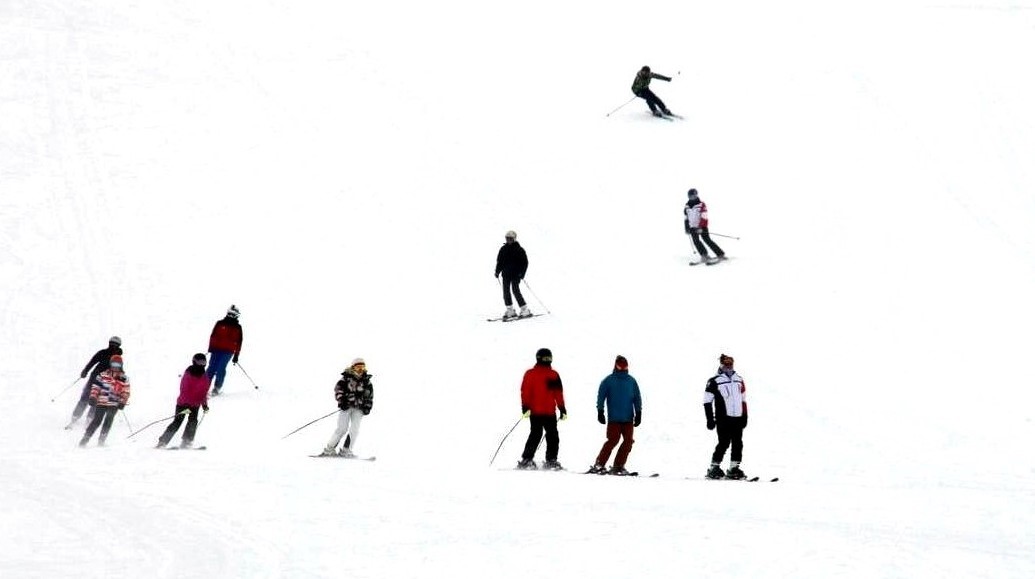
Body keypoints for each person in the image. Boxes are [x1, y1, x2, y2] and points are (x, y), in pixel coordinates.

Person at [589, 355, 642, 476]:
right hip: (614, 419)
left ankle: (618, 465)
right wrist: (600, 411)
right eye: (620, 366)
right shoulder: (608, 380)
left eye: (625, 366)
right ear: (616, 366)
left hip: (628, 418)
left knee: (628, 441)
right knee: (613, 440)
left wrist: (638, 412)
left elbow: (637, 397)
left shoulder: (631, 381)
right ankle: (599, 464)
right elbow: (601, 396)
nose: (623, 368)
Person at [517, 348, 567, 470]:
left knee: (553, 436)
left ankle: (551, 460)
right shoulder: (530, 373)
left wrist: (562, 408)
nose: (548, 361)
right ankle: (527, 459)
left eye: (549, 358)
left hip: (550, 412)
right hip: (535, 411)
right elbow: (525, 391)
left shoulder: (554, 374)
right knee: (536, 434)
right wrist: (525, 407)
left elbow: (558, 393)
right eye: (545, 358)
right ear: (538, 358)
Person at [702, 354, 748, 479]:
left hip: (737, 417)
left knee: (738, 443)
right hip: (723, 418)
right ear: (721, 365)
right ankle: (714, 467)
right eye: (726, 364)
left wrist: (745, 415)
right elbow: (707, 401)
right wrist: (710, 419)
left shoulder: (739, 379)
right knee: (724, 442)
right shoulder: (715, 381)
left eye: (730, 364)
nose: (728, 366)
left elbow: (743, 399)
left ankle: (734, 468)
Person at [156, 353, 211, 449]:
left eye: (204, 362)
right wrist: (188, 405)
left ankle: (187, 441)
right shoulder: (188, 374)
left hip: (195, 405)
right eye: (199, 362)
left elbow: (204, 393)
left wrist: (204, 405)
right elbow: (184, 390)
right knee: (178, 421)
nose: (201, 365)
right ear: (194, 362)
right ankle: (163, 441)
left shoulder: (205, 377)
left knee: (193, 421)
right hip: (183, 404)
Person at [321, 358, 374, 457]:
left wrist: (367, 406)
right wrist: (342, 400)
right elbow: (338, 390)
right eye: (358, 367)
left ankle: (346, 450)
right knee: (342, 428)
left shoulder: (367, 382)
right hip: (347, 407)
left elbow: (370, 396)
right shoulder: (346, 379)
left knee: (355, 430)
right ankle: (329, 449)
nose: (360, 370)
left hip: (359, 408)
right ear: (353, 367)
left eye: (362, 367)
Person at [67, 336, 123, 428]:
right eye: (111, 344)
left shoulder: (117, 357)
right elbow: (92, 361)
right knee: (86, 397)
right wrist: (85, 371)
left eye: (115, 345)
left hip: (106, 381)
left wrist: (119, 381)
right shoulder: (103, 353)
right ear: (109, 343)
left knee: (97, 399)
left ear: (118, 346)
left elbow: (119, 370)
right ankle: (75, 417)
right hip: (94, 377)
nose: (113, 346)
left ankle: (90, 419)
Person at [79, 354, 131, 447]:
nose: (115, 367)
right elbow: (96, 387)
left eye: (118, 365)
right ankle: (85, 439)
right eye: (114, 365)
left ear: (121, 365)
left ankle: (101, 440)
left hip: (114, 404)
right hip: (101, 402)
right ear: (110, 365)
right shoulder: (102, 375)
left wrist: (122, 402)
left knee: (108, 421)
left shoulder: (124, 378)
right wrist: (93, 397)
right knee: (96, 421)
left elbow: (126, 391)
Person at [207, 305, 243, 395]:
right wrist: (211, 347)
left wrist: (236, 355)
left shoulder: (238, 327)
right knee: (211, 368)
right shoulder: (220, 323)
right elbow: (213, 335)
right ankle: (204, 386)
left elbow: (239, 342)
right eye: (230, 314)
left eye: (233, 315)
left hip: (228, 352)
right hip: (216, 349)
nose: (231, 316)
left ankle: (217, 388)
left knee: (220, 368)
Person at [494, 230, 531, 320]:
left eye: (510, 238)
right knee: (506, 292)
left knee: (515, 290)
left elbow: (525, 263)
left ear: (514, 239)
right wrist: (497, 271)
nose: (508, 240)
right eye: (507, 238)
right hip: (506, 274)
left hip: (516, 275)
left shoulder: (519, 250)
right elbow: (500, 262)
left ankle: (524, 309)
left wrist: (521, 274)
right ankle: (510, 310)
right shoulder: (503, 249)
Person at [684, 188, 727, 265]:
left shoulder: (701, 204)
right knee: (696, 241)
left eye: (694, 196)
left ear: (696, 195)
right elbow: (686, 218)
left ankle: (720, 254)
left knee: (707, 240)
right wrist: (687, 228)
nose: (693, 197)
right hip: (692, 227)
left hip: (702, 226)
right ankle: (704, 255)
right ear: (688, 196)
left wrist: (700, 227)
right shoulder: (686, 206)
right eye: (691, 196)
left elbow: (704, 216)